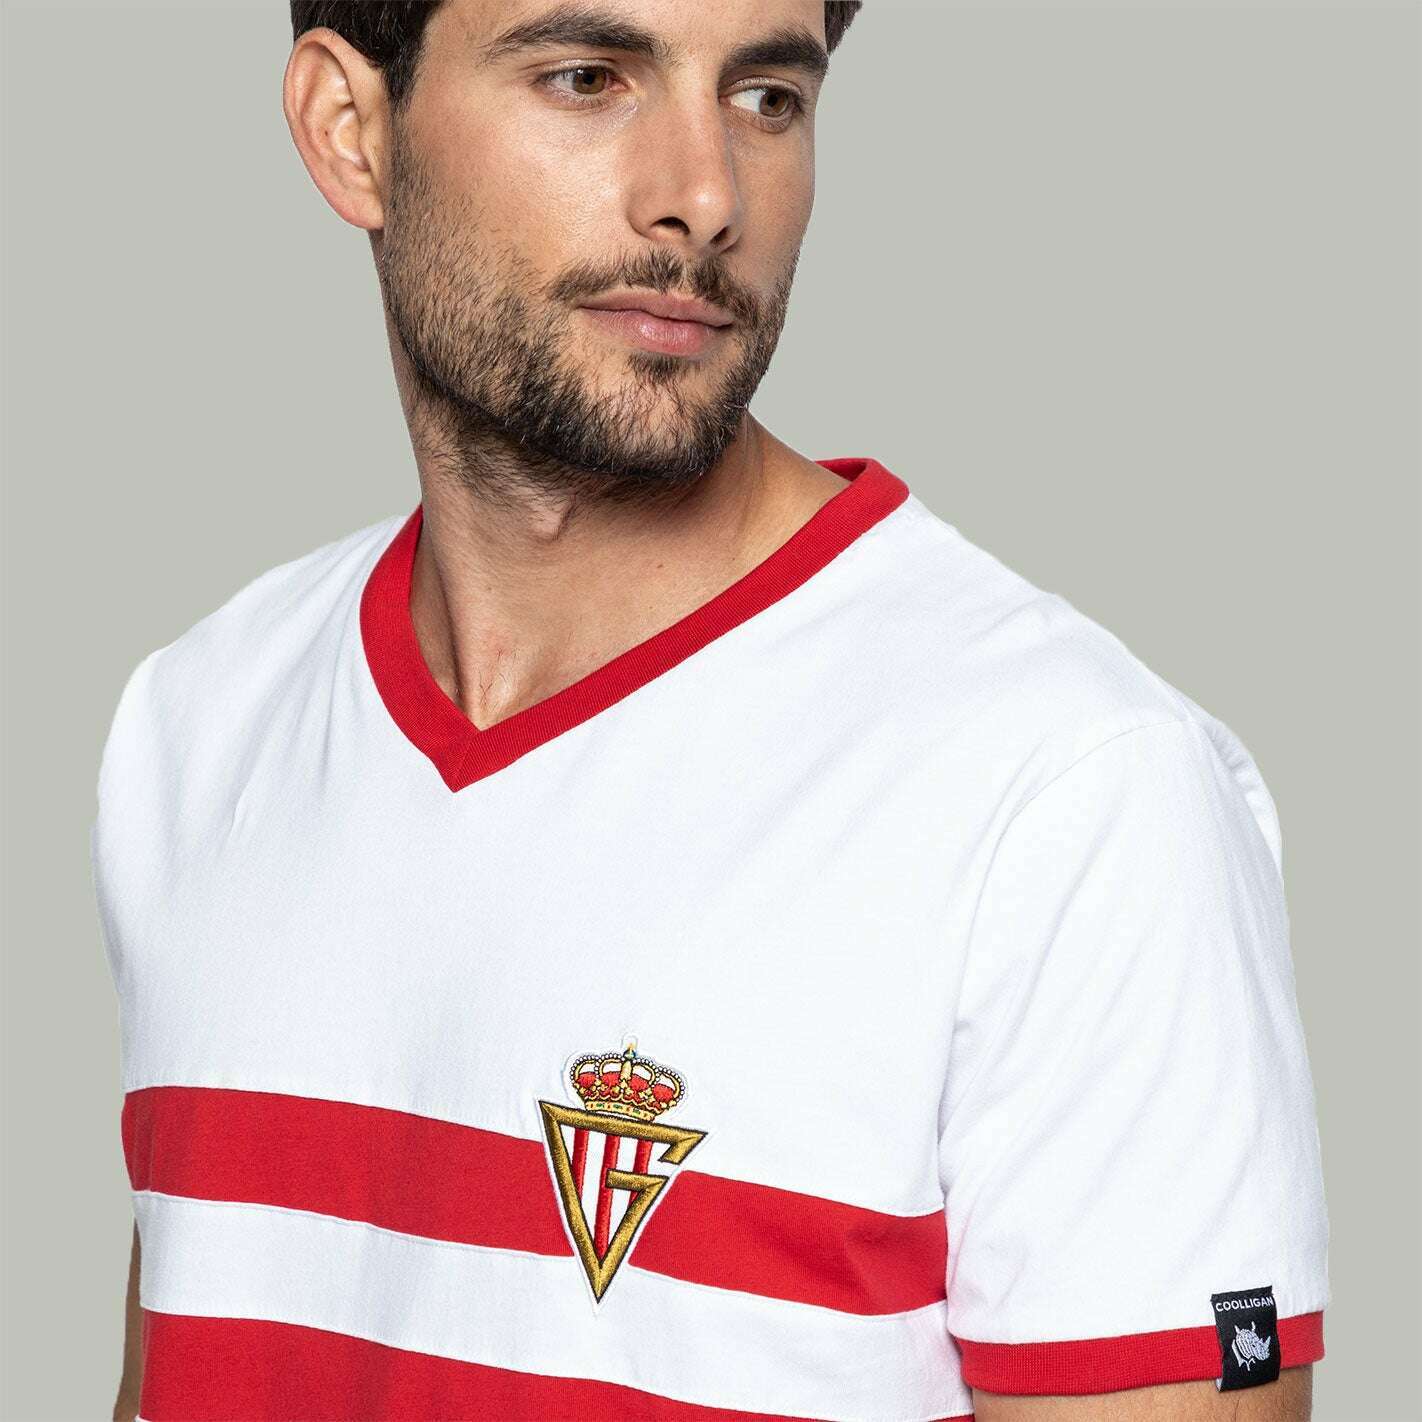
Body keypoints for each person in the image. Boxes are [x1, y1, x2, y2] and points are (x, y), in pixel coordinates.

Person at [91, 3, 1330, 1419]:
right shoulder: (203, 727)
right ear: (349, 130)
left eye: (766, 98)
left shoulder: (1073, 794)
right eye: (588, 78)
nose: (705, 195)